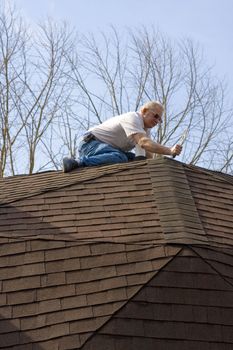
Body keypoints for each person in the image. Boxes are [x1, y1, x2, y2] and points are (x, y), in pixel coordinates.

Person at [63, 101, 182, 172]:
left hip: (106, 149)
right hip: (90, 144)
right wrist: (169, 150)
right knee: (121, 158)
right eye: (156, 116)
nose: (157, 121)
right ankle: (77, 162)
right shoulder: (133, 118)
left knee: (133, 161)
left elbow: (148, 156)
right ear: (144, 111)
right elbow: (143, 142)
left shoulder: (144, 130)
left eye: (160, 120)